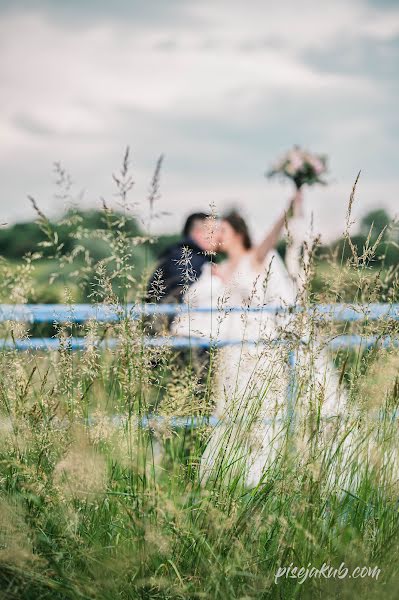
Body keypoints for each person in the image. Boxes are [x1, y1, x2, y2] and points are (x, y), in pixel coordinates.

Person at [171, 191, 347, 487]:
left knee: (265, 403)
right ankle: (233, 472)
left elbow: (272, 235)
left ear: (239, 233)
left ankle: (268, 469)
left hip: (258, 340)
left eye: (223, 230)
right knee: (231, 403)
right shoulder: (218, 269)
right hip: (232, 344)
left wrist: (287, 212)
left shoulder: (255, 258)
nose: (218, 236)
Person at [147, 212, 219, 305]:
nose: (218, 237)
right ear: (198, 233)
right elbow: (178, 295)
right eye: (213, 231)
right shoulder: (186, 258)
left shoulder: (184, 254)